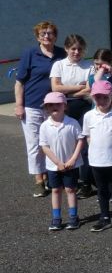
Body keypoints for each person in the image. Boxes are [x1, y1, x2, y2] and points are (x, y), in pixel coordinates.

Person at [15, 21, 66, 197]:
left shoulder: (61, 53)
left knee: (53, 142)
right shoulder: (30, 53)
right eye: (43, 33)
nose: (47, 36)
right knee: (35, 144)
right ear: (38, 36)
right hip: (32, 106)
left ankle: (53, 176)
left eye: (50, 33)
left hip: (54, 106)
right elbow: (19, 82)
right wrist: (19, 105)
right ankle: (39, 180)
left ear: (55, 36)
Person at [82, 80, 112, 232]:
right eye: (98, 98)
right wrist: (97, 150)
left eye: (105, 97)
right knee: (102, 190)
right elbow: (88, 137)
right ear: (93, 98)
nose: (102, 101)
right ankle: (104, 217)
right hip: (96, 160)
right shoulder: (89, 116)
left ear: (111, 96)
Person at [49, 34, 92, 199]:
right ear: (66, 48)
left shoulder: (88, 66)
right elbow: (55, 88)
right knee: (65, 145)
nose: (76, 52)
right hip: (63, 107)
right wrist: (76, 88)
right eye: (73, 48)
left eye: (80, 49)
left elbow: (89, 89)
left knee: (85, 146)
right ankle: (67, 180)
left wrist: (67, 89)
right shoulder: (58, 65)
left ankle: (86, 182)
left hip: (83, 107)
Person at [39, 92, 84, 231]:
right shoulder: (45, 126)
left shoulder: (72, 123)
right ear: (46, 108)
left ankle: (73, 217)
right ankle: (56, 218)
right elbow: (44, 146)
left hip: (71, 164)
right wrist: (57, 162)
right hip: (53, 166)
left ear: (65, 106)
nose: (54, 107)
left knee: (70, 189)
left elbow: (80, 141)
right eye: (50, 105)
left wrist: (73, 159)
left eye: (57, 104)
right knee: (56, 190)